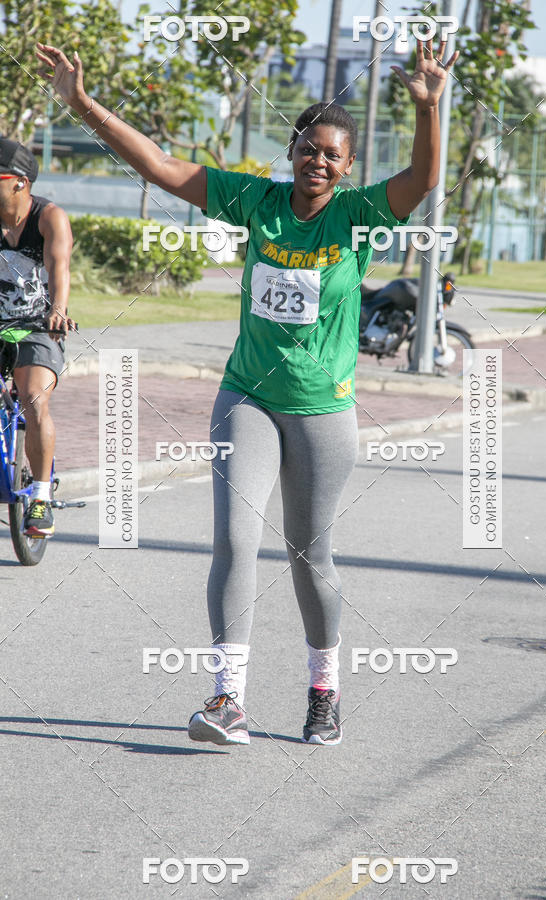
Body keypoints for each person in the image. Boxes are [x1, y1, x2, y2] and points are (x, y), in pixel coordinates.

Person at [36, 37, 458, 744]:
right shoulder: (256, 200)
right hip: (248, 399)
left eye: (332, 155)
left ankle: (323, 688)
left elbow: (421, 177)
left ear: (348, 166)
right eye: (308, 149)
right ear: (291, 151)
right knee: (234, 539)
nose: (318, 161)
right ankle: (228, 698)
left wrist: (427, 108)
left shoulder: (357, 217)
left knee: (309, 556)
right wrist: (82, 105)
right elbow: (162, 166)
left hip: (323, 411)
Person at [0, 137, 75, 537]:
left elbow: (59, 266)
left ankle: (41, 496)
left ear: (20, 182)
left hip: (37, 325)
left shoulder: (49, 217)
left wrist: (57, 309)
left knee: (33, 398)